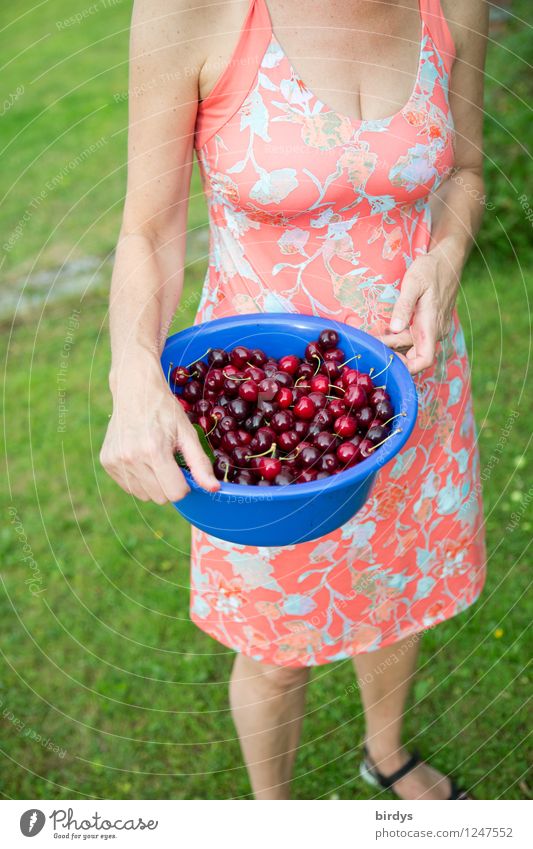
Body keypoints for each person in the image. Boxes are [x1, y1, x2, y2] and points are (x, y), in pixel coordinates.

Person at [100, 0, 489, 800]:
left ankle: (384, 752)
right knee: (275, 643)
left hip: (415, 385)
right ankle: (273, 815)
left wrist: (446, 250)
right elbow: (149, 227)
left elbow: (464, 167)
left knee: (396, 594)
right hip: (260, 415)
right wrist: (131, 368)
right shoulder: (192, 11)